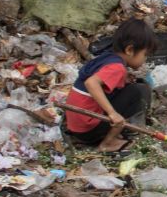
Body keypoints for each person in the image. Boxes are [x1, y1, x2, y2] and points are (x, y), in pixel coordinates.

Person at [65, 18, 157, 152]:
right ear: (130, 50)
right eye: (145, 55)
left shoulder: (107, 57)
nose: (145, 59)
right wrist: (112, 113)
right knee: (137, 91)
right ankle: (108, 142)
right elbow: (91, 83)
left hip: (76, 125)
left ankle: (112, 132)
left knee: (130, 87)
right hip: (88, 130)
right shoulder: (117, 67)